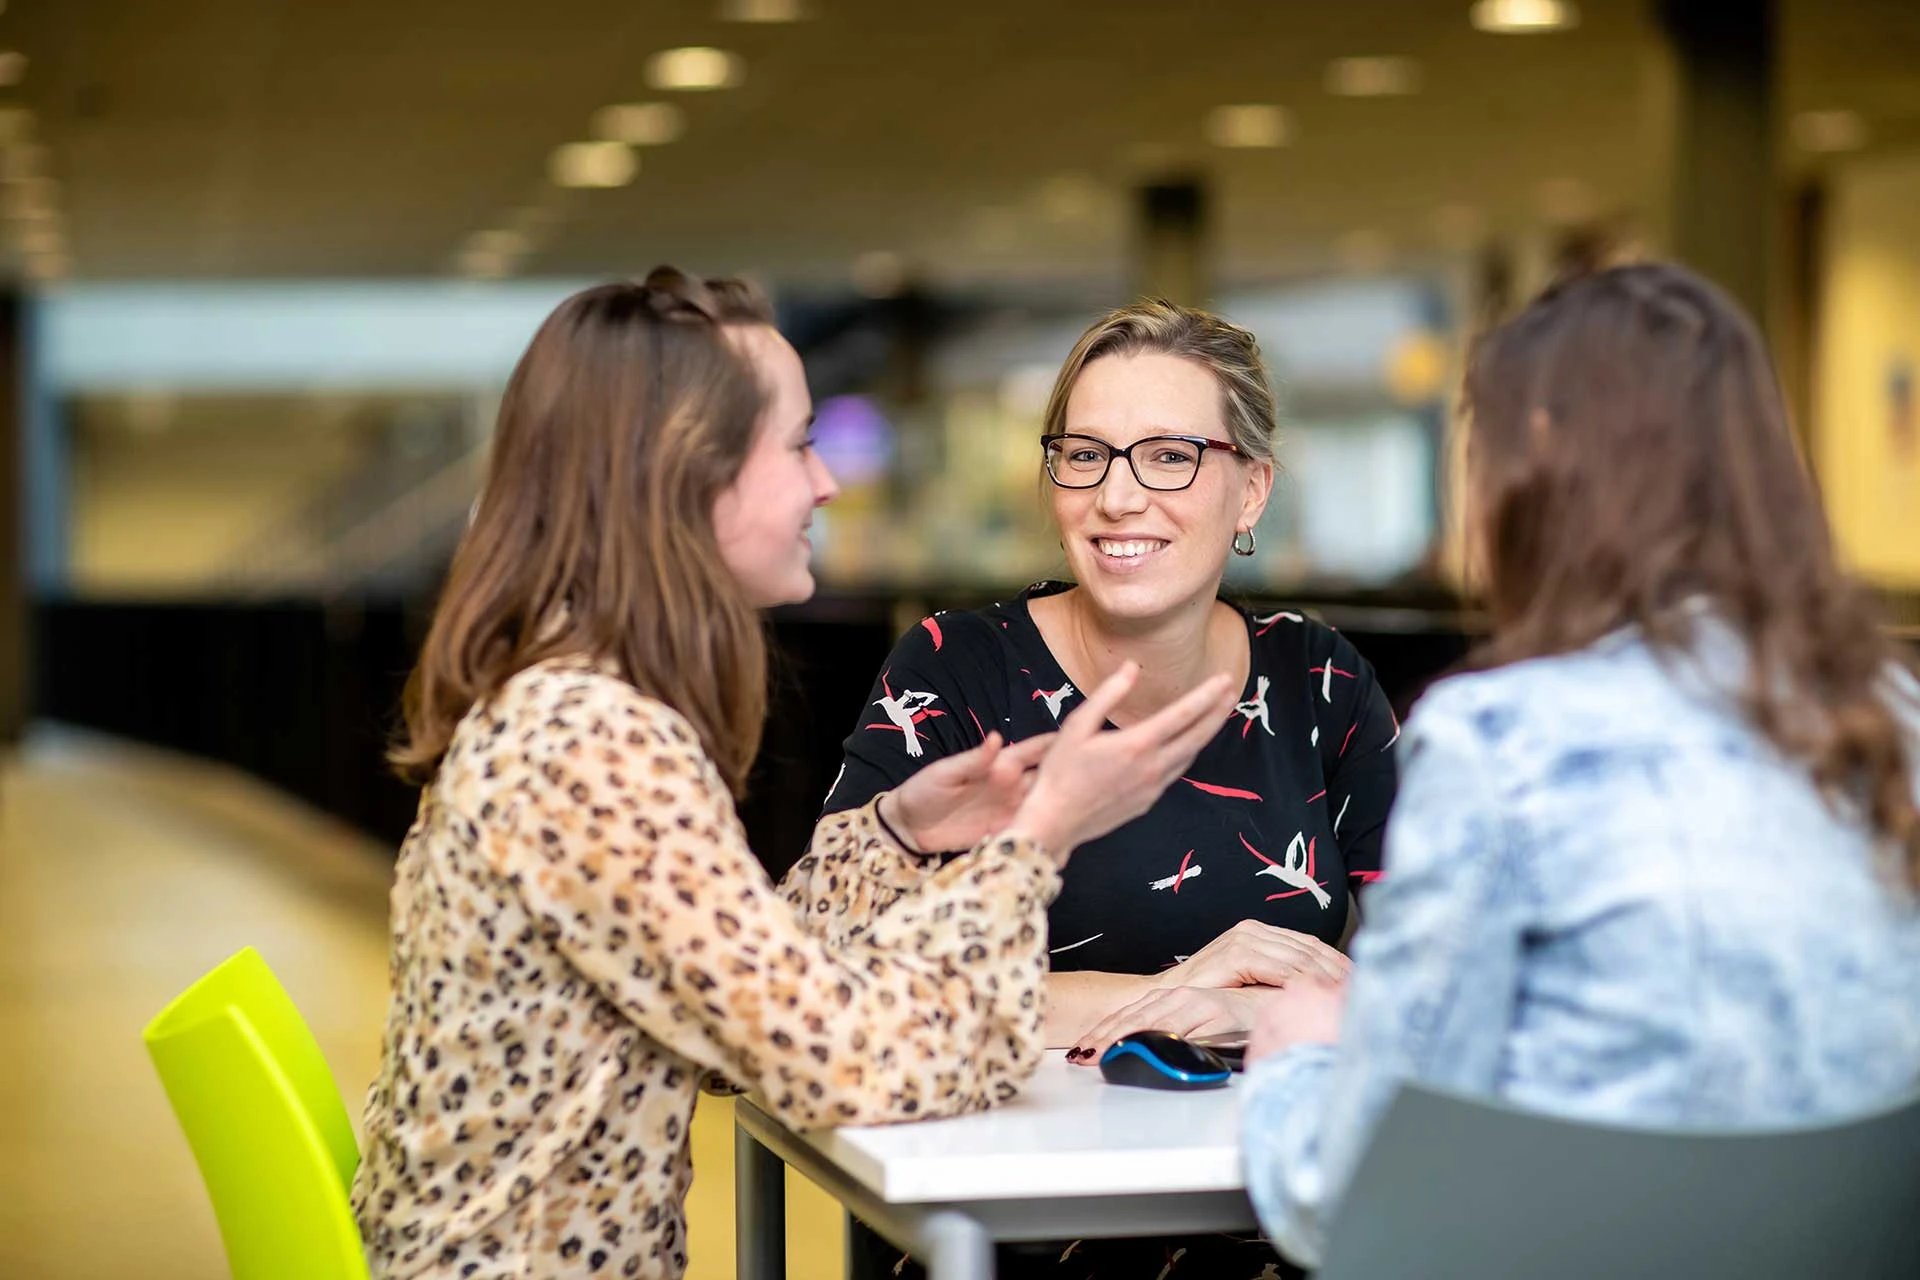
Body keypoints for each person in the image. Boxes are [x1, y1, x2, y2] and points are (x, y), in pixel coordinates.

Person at [348, 268, 1238, 1280]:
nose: (827, 482)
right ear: (688, 473)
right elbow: (851, 1062)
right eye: (800, 443)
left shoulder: (564, 704)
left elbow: (762, 989)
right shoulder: (589, 745)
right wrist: (1041, 836)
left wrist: (897, 829)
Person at [1239, 261, 1920, 1267]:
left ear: (1542, 462)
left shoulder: (1501, 741)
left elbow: (1349, 1197)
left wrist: (1294, 1060)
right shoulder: (1895, 716)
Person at [803, 300, 1400, 1279]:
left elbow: (1439, 984)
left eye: (1169, 455)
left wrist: (1261, 1016)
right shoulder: (957, 672)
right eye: (1085, 454)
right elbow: (836, 991)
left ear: (1250, 489)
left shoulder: (1318, 678)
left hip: (1271, 1217)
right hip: (1008, 1231)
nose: (1118, 496)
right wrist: (1177, 993)